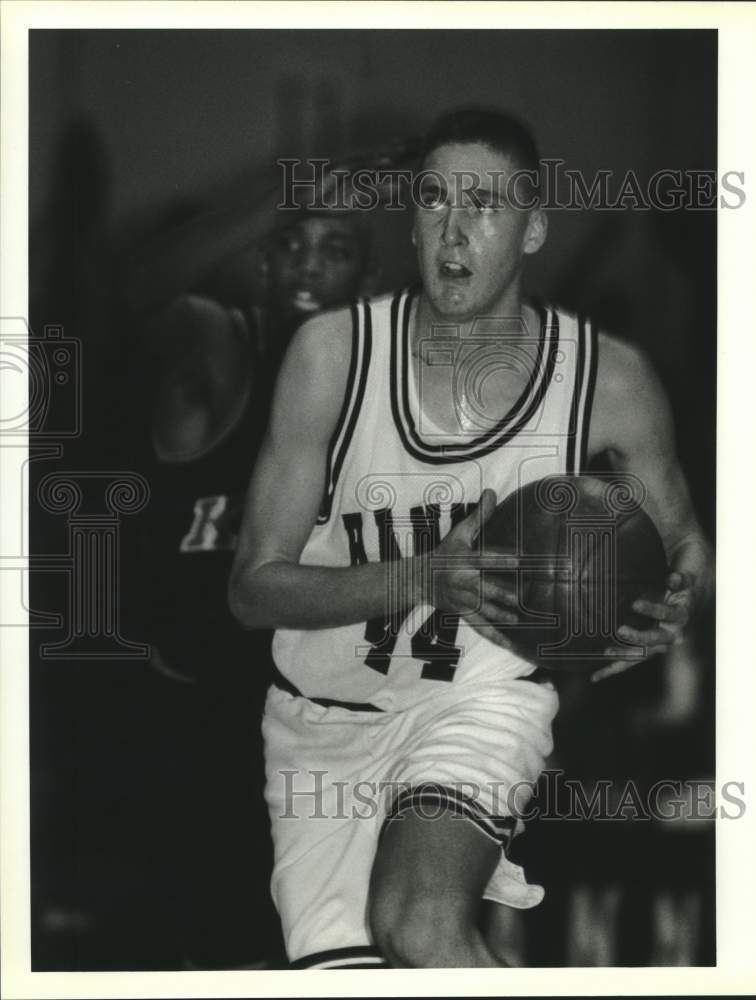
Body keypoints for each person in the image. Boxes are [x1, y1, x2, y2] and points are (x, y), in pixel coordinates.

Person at [229, 108, 714, 969]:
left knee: (418, 925)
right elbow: (252, 590)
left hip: (479, 703)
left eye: (484, 205)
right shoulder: (331, 357)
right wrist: (424, 578)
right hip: (320, 728)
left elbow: (687, 549)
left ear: (531, 230)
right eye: (433, 200)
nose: (454, 230)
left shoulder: (611, 380)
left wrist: (673, 609)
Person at [125, 166, 385, 968]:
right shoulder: (217, 337)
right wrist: (302, 184)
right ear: (262, 261)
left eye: (334, 248)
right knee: (198, 944)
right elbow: (133, 289)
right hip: (194, 713)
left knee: (317, 946)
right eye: (291, 245)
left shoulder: (382, 385)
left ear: (363, 274)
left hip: (321, 722)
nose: (310, 265)